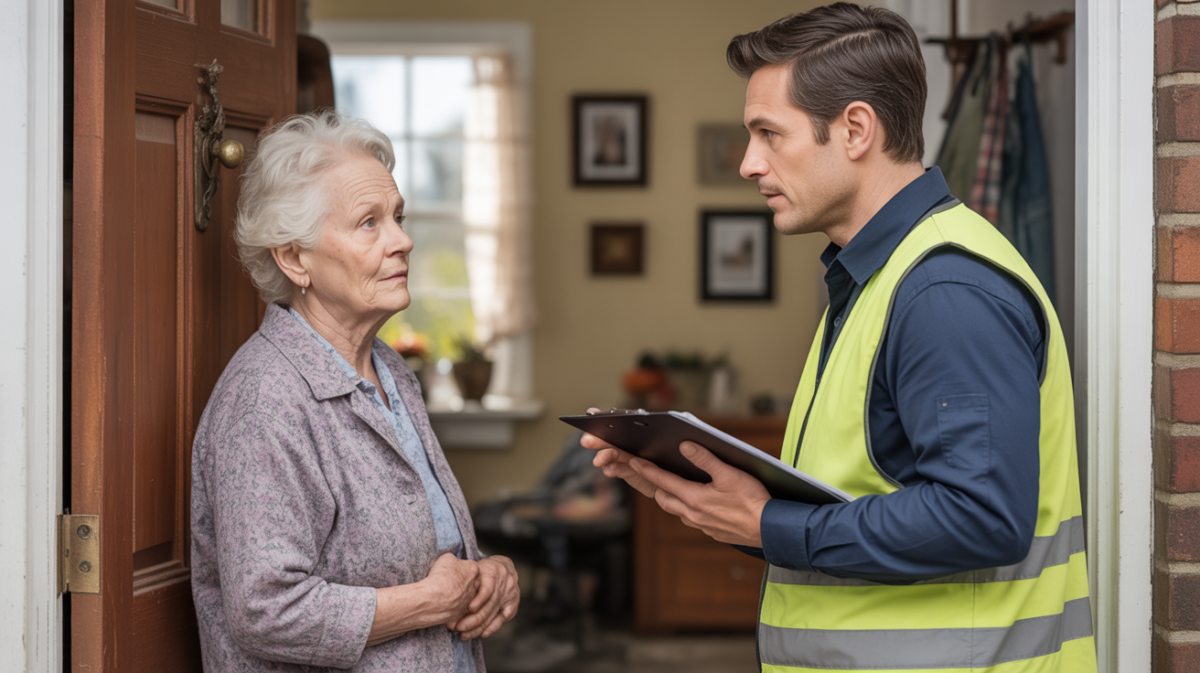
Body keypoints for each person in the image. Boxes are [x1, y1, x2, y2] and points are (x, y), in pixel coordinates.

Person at [583, 4, 1097, 671]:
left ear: (855, 129)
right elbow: (863, 500)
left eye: (769, 134)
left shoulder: (944, 292)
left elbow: (980, 517)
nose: (748, 163)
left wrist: (771, 524)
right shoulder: (876, 277)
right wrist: (725, 505)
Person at [191, 110, 519, 672]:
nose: (404, 240)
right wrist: (428, 603)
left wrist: (490, 574)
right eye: (369, 223)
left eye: (398, 216)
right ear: (295, 258)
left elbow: (419, 549)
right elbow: (266, 611)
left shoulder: (390, 371)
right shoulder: (265, 402)